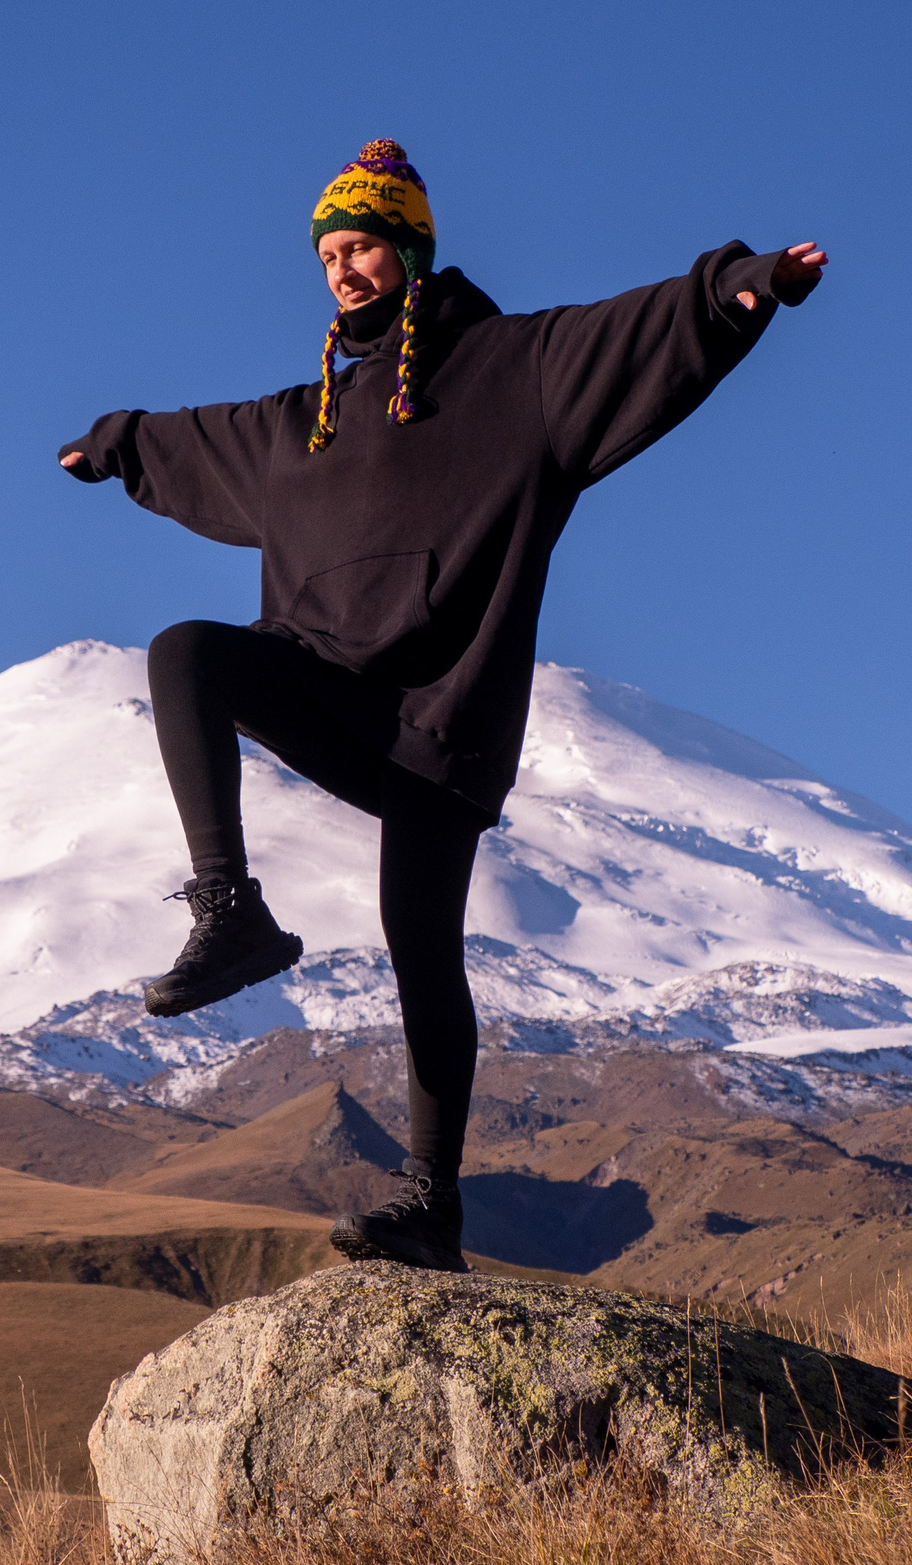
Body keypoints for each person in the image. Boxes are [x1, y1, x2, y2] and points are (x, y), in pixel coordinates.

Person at [58, 139, 824, 1271]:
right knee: (186, 653)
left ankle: (430, 1206)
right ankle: (229, 910)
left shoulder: (517, 371)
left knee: (421, 949)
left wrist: (737, 287)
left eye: (360, 245)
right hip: (327, 684)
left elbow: (634, 329)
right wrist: (114, 445)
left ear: (410, 248)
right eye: (326, 254)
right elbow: (190, 439)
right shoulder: (303, 423)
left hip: (444, 714)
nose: (341, 269)